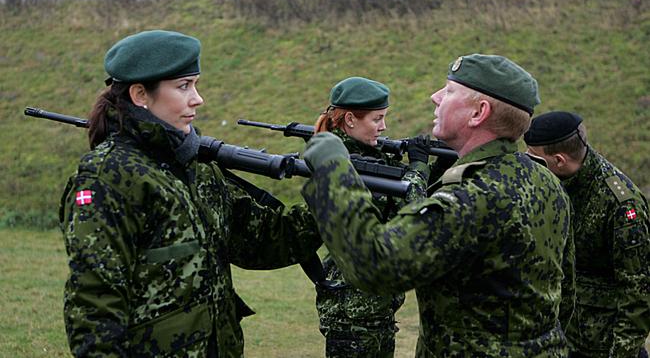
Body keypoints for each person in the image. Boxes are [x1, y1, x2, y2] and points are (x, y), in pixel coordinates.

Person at [59, 30, 321, 357]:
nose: (197, 98)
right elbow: (95, 306)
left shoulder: (197, 169)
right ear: (140, 94)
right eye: (184, 86)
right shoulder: (107, 178)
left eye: (195, 84)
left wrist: (336, 199)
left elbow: (268, 241)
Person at [300, 53, 576, 357]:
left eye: (449, 91)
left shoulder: (471, 197)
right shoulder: (545, 180)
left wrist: (331, 169)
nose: (435, 97)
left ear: (478, 113)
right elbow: (565, 293)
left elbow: (374, 264)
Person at [312, 76, 430, 357]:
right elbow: (411, 211)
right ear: (351, 119)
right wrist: (419, 167)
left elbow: (408, 194)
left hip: (372, 308)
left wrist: (432, 169)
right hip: (353, 313)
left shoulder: (365, 154)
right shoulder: (341, 163)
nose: (384, 126)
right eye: (377, 118)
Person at [524, 111, 650, 357]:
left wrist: (622, 354)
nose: (528, 164)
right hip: (560, 339)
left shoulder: (620, 204)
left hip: (602, 346)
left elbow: (638, 290)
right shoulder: (550, 184)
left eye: (534, 158)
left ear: (559, 160)